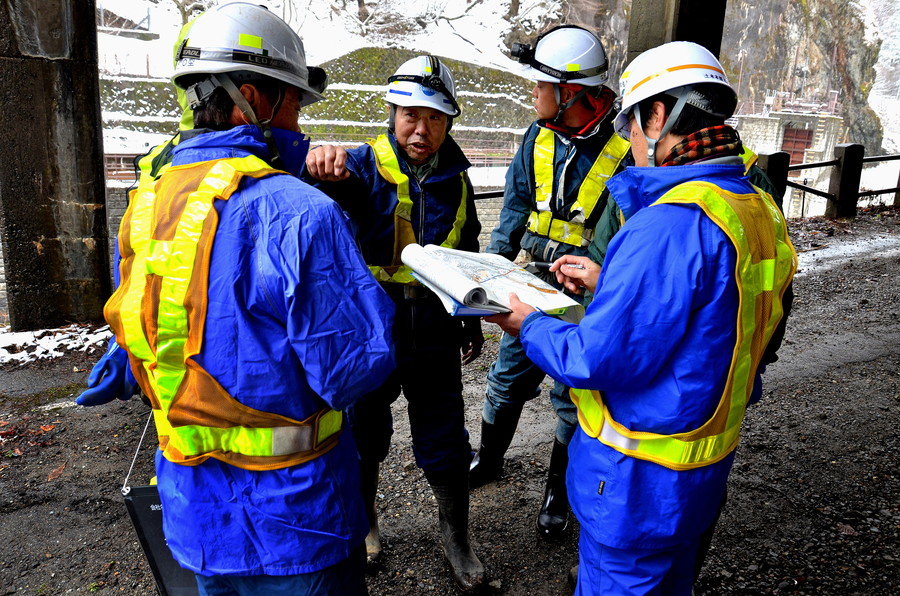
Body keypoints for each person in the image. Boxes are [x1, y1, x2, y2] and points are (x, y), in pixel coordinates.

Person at [76, 4, 396, 595]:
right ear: (253, 97)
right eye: (295, 104)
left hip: (198, 520)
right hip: (300, 525)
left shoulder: (147, 205)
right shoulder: (302, 214)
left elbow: (152, 321)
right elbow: (353, 370)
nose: (300, 127)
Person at [486, 41, 797, 595]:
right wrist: (613, 284)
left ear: (658, 117)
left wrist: (525, 321)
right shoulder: (752, 206)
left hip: (635, 487)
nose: (628, 142)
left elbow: (595, 358)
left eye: (631, 125)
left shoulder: (669, 222)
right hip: (698, 474)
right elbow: (717, 309)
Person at [303, 56, 486, 592]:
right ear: (391, 112)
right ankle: (366, 528)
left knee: (445, 435)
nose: (421, 129)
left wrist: (471, 320)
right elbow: (320, 194)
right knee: (363, 432)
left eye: (433, 118)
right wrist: (320, 165)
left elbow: (467, 246)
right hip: (372, 323)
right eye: (410, 115)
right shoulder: (360, 166)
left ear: (449, 122)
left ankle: (457, 538)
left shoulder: (459, 176)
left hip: (434, 323)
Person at [471, 24, 631, 539]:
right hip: (532, 277)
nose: (533, 94)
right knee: (507, 377)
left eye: (542, 86)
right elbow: (514, 209)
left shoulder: (625, 152)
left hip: (583, 288)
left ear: (571, 94)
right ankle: (489, 460)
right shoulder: (538, 136)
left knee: (571, 392)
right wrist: (487, 275)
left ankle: (556, 494)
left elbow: (617, 237)